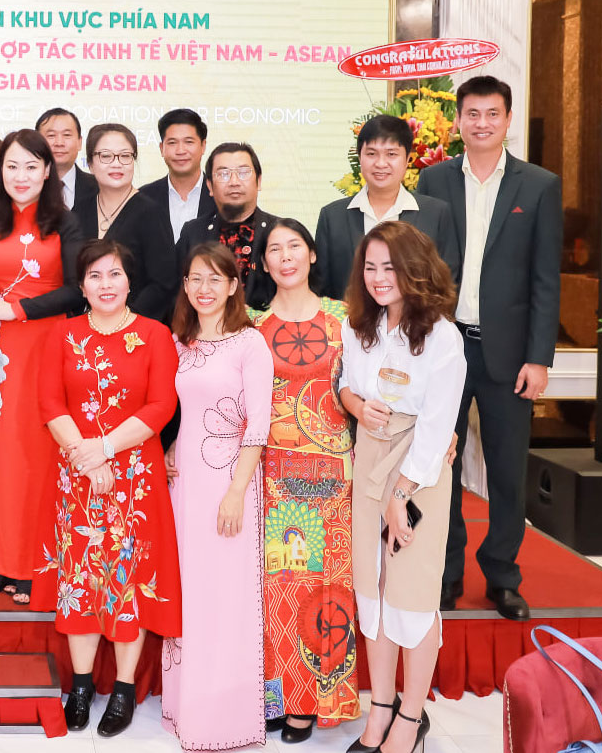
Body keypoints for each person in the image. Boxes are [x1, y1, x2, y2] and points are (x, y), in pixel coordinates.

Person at [416, 75, 562, 620]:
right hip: (445, 348)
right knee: (441, 468)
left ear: (507, 119)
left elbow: (545, 279)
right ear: (458, 120)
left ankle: (502, 575)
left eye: (492, 114)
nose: (482, 123)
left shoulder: (539, 186)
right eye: (472, 113)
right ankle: (447, 573)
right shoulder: (433, 180)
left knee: (505, 471)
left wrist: (539, 358)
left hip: (509, 354)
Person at [35, 240, 181, 738]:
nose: (105, 285)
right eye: (95, 276)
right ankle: (79, 686)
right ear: (81, 285)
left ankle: (122, 688)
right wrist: (87, 457)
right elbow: (51, 403)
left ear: (129, 281)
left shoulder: (155, 335)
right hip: (76, 476)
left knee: (127, 580)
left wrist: (103, 449)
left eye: (114, 274)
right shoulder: (63, 334)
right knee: (79, 578)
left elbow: (160, 407)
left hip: (134, 478)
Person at [338, 221, 467, 753]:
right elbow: (345, 385)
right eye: (370, 267)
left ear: (415, 268)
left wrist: (401, 495)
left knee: (412, 593)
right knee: (372, 589)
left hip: (419, 469)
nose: (378, 278)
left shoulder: (442, 336)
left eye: (389, 267)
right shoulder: (359, 325)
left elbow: (438, 427)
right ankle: (382, 707)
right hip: (370, 457)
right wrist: (355, 404)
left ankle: (412, 718)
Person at [0, 128, 82, 605]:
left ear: (48, 171)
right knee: (0, 456)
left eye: (31, 166)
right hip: (0, 356)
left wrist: (20, 309)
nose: (21, 175)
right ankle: (1, 557)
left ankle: (37, 563)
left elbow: (77, 290)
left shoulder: (65, 222)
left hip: (48, 347)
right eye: (12, 166)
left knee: (41, 456)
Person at [161, 243, 273, 752]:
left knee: (227, 594)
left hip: (230, 482)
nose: (203, 289)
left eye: (214, 279)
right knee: (190, 590)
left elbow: (258, 425)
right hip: (185, 485)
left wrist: (236, 492)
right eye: (194, 279)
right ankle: (186, 706)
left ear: (232, 286)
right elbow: (177, 410)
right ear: (185, 286)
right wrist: (170, 448)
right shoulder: (179, 342)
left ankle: (225, 716)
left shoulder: (250, 344)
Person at [251, 220, 359, 744]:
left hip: (333, 475)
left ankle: (322, 701)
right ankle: (281, 699)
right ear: (264, 263)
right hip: (277, 476)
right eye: (275, 249)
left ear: (312, 255)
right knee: (280, 590)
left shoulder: (345, 318)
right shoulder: (251, 323)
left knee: (328, 591)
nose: (286, 256)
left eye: (295, 246)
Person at [314, 114, 458, 301]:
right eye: (371, 154)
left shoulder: (436, 214)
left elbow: (447, 283)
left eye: (391, 154)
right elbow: (322, 288)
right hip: (349, 319)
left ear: (407, 159)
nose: (381, 163)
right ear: (359, 157)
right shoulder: (332, 217)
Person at [72, 123, 178, 320]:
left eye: (125, 156)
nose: (116, 163)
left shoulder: (151, 212)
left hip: (135, 326)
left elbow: (163, 284)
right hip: (85, 326)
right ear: (90, 163)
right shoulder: (79, 211)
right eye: (106, 156)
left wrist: (124, 321)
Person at [176, 141, 278, 310]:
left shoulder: (279, 231)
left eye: (243, 172)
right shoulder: (193, 233)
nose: (234, 181)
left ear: (258, 181)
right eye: (223, 174)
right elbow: (176, 293)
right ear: (210, 186)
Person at [140, 108, 214, 250]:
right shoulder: (143, 198)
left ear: (203, 146)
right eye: (172, 143)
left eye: (189, 142)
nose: (180, 151)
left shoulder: (220, 197)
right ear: (161, 148)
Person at [36, 107, 96, 209]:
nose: (59, 143)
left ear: (80, 142)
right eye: (51, 135)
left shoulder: (99, 188)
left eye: (67, 135)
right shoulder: (27, 187)